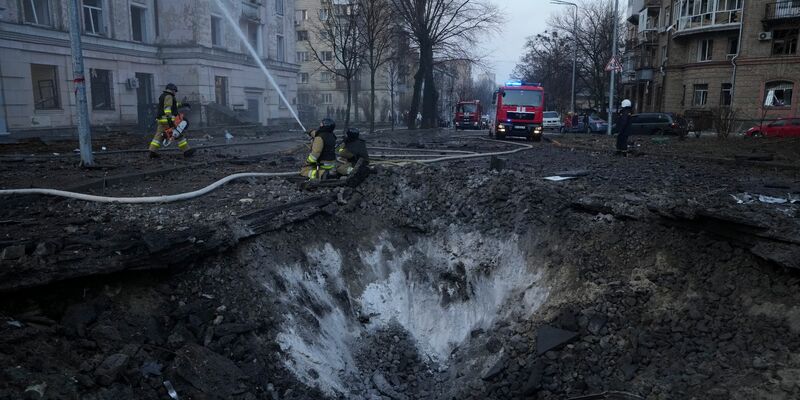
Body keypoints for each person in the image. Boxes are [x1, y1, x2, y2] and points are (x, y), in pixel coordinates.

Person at [149, 83, 194, 158]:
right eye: (175, 91)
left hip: (161, 119)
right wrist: (169, 119)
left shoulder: (163, 96)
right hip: (167, 120)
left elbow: (173, 105)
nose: (175, 92)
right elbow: (167, 108)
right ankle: (187, 151)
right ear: (172, 89)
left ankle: (152, 151)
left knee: (158, 136)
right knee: (178, 133)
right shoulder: (169, 96)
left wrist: (182, 104)